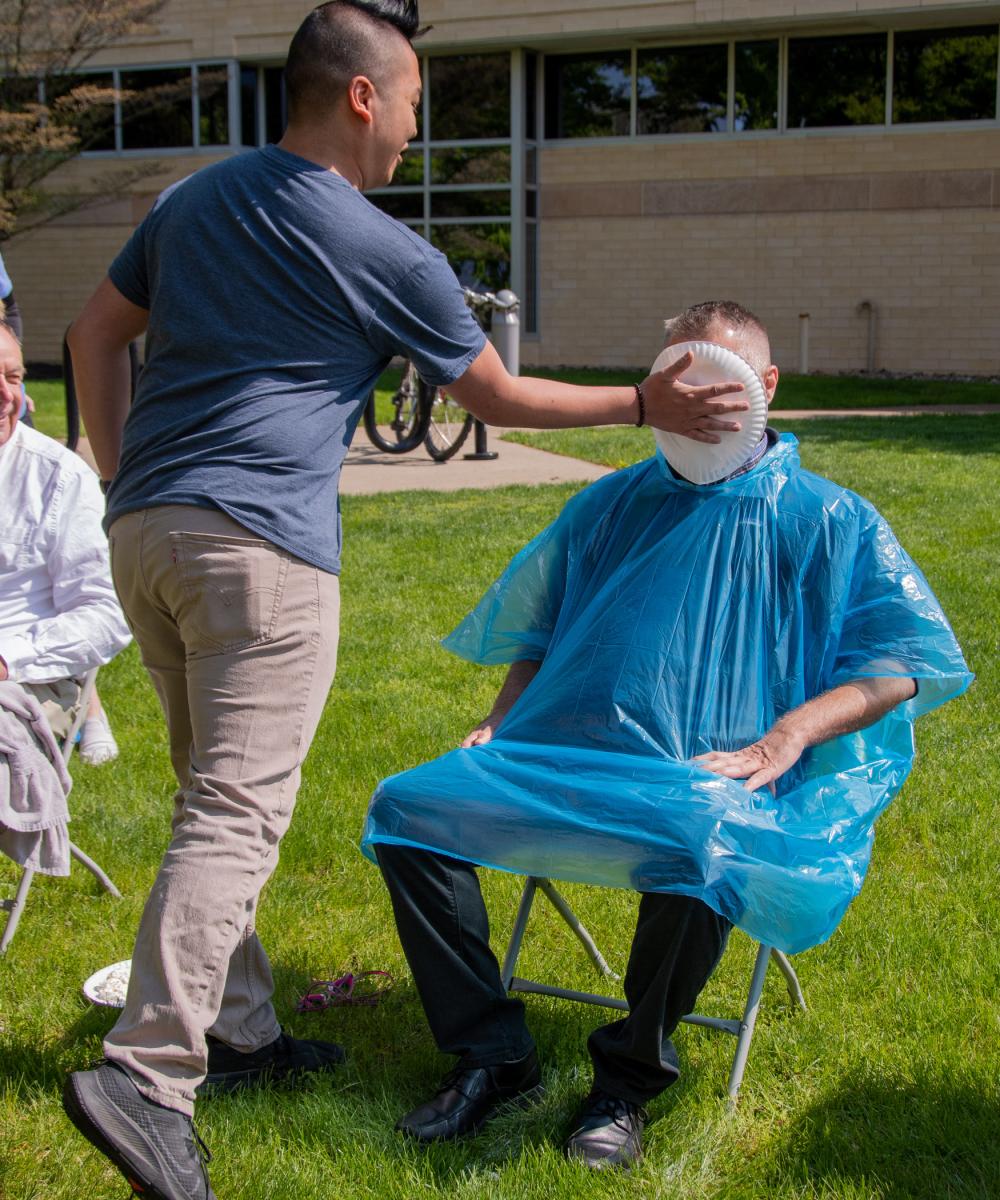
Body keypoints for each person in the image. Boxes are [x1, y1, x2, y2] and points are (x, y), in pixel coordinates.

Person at [59, 4, 751, 1197]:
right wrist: (645, 406)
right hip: (259, 553)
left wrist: (127, 481)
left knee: (200, 793)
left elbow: (90, 332)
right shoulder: (382, 246)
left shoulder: (191, 201)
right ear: (365, 97)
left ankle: (245, 1034)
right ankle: (150, 1072)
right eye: (417, 104)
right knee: (232, 815)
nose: (418, 135)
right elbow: (493, 397)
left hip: (147, 535)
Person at [363, 300, 972, 1169]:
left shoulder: (829, 520)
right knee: (407, 807)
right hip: (565, 758)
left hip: (712, 778)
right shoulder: (611, 506)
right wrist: (502, 721)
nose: (697, 403)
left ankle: (624, 1083)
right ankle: (493, 1054)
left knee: (707, 831)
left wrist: (789, 736)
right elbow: (541, 630)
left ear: (764, 387)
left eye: (717, 383)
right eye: (677, 382)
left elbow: (900, 663)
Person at [0, 320, 130, 742]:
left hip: (23, 680)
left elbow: (105, 614)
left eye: (14, 377)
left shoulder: (57, 478)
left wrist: (7, 659)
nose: (7, 395)